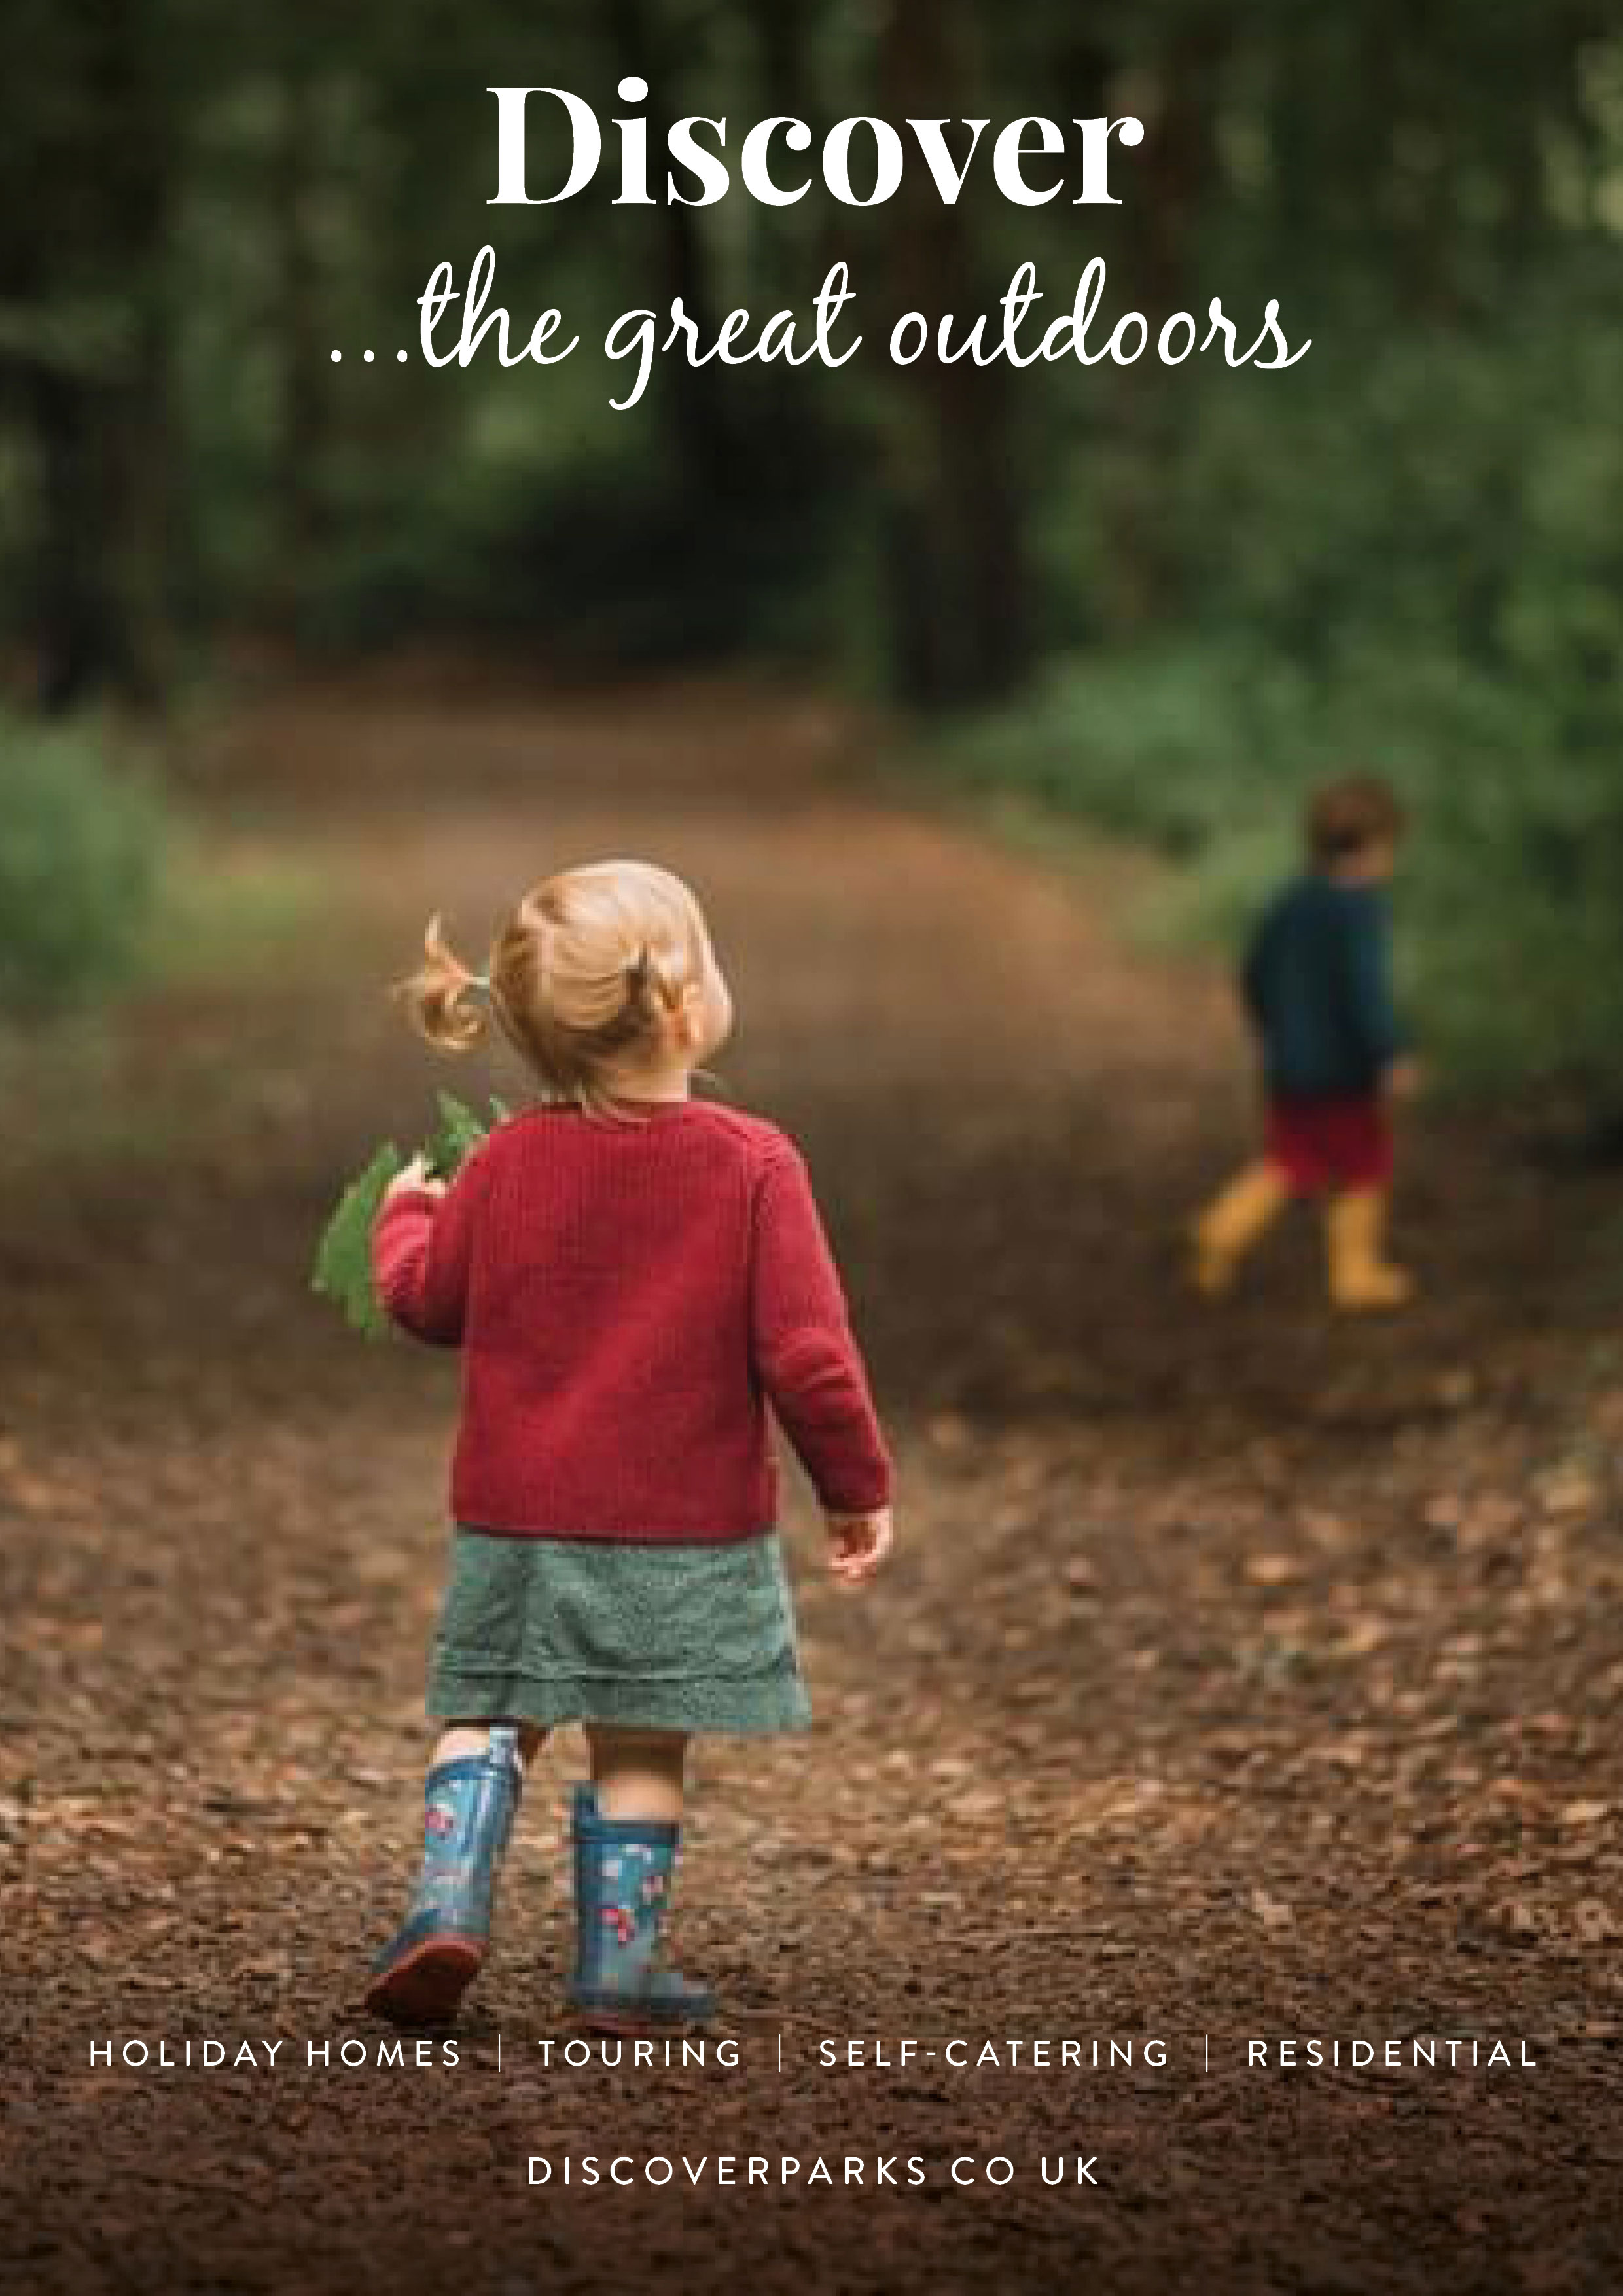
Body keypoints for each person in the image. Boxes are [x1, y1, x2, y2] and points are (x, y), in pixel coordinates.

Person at [362, 860, 893, 2034]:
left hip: (517, 1516)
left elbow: (429, 1303)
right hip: (682, 1528)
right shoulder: (755, 1164)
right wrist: (854, 1487)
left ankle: (445, 1904)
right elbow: (807, 1356)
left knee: (493, 1706)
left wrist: (409, 1215)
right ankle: (620, 1970)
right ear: (687, 1006)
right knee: (641, 1738)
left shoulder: (503, 1165)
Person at [1191, 775, 1419, 1310]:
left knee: (1287, 1162)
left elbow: (1255, 972)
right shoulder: (1359, 910)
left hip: (1289, 1067)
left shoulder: (1290, 901)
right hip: (1344, 1074)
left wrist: (1277, 1027)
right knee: (1364, 1167)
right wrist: (1390, 1051)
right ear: (1373, 846)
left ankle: (1220, 1231)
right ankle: (1355, 1275)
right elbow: (1366, 993)